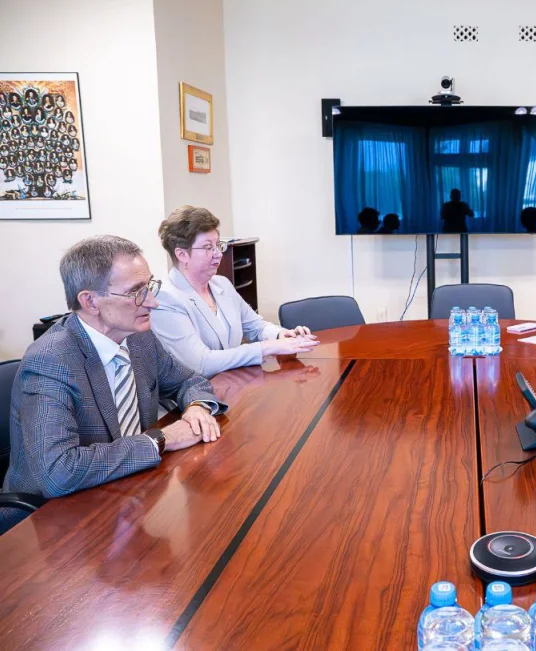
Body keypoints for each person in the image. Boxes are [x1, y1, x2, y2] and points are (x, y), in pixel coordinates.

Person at [1, 235, 226, 534]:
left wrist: (197, 407)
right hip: (51, 524)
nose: (153, 302)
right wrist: (161, 439)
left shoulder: (139, 336)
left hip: (127, 495)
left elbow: (188, 379)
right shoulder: (50, 361)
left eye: (150, 286)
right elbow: (58, 472)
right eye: (136, 292)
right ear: (90, 301)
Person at [150, 206, 319, 379]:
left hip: (235, 383)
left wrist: (280, 335)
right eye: (208, 247)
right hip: (199, 393)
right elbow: (201, 363)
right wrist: (268, 347)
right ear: (182, 254)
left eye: (218, 245)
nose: (218, 254)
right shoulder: (165, 299)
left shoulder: (222, 284)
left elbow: (255, 326)